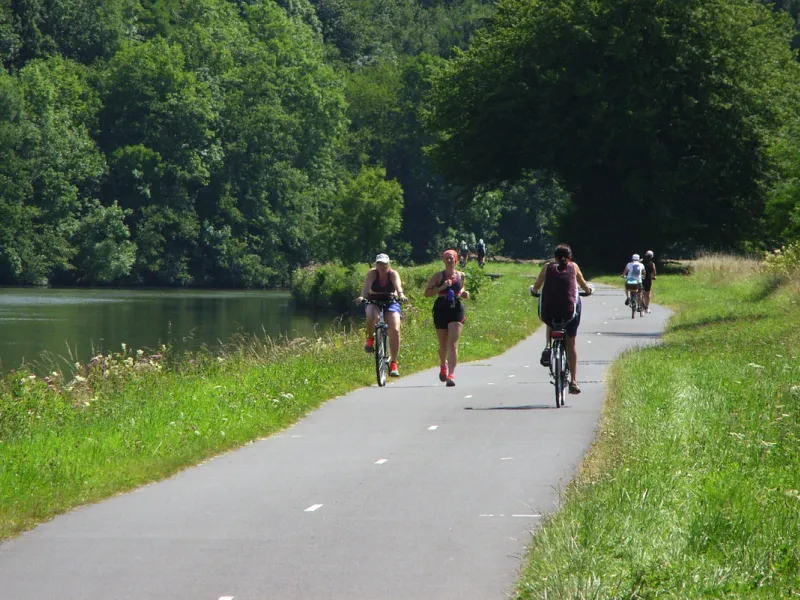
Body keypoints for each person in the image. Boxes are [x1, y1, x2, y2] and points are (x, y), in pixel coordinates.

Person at [529, 244, 593, 394]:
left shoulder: (547, 267)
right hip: (569, 313)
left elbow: (537, 286)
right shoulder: (574, 267)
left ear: (555, 256)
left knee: (550, 319)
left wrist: (533, 291)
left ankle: (548, 345)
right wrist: (589, 291)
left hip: (549, 311)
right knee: (571, 344)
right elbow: (583, 285)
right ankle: (574, 381)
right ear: (570, 256)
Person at [355, 253, 407, 377]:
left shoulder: (393, 274)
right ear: (376, 264)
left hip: (390, 301)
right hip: (374, 300)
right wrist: (362, 296)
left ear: (389, 264)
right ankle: (370, 339)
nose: (382, 266)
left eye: (384, 263)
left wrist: (401, 295)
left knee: (395, 329)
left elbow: (398, 287)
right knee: (370, 315)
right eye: (379, 263)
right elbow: (366, 287)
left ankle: (393, 363)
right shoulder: (372, 273)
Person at [424, 249, 470, 387]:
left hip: (456, 307)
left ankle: (451, 374)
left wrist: (463, 293)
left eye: (451, 258)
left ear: (456, 259)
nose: (449, 260)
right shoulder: (438, 276)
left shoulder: (461, 275)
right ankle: (442, 365)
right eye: (446, 258)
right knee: (443, 344)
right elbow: (427, 293)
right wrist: (442, 287)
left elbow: (461, 289)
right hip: (441, 308)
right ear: (443, 260)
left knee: (453, 343)